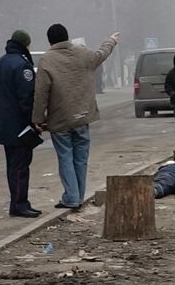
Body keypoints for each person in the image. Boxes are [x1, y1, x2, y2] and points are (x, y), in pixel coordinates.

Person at [32, 24, 118, 210]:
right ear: (67, 37)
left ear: (50, 41)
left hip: (60, 119)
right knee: (81, 158)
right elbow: (101, 54)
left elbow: (41, 93)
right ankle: (78, 195)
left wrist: (38, 118)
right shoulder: (83, 53)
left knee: (65, 157)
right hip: (82, 117)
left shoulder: (47, 60)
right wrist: (111, 41)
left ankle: (71, 197)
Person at [0, 30, 41, 219]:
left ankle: (17, 202)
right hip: (20, 125)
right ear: (25, 44)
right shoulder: (22, 66)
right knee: (20, 166)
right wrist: (35, 121)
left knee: (12, 165)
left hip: (4, 123)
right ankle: (20, 204)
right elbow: (26, 98)